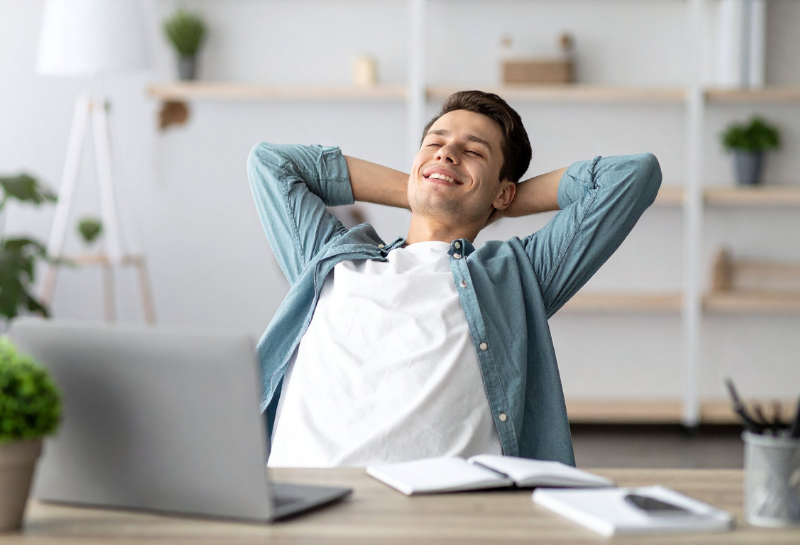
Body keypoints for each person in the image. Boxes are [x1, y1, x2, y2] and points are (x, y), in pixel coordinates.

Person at [247, 90, 662, 468]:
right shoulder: (329, 259)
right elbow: (271, 163)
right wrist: (422, 188)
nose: (446, 153)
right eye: (434, 144)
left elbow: (631, 175)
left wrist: (496, 201)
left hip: (434, 509)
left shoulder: (516, 276)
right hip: (303, 502)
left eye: (473, 151)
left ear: (504, 192)